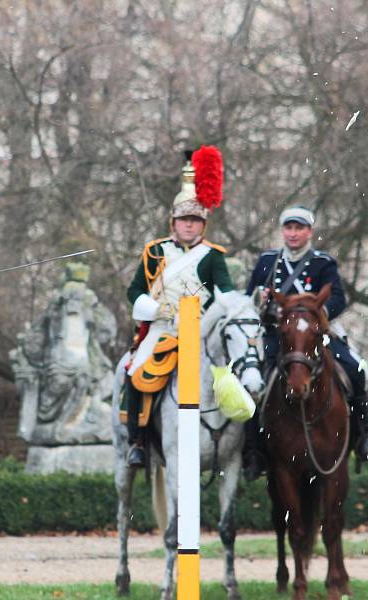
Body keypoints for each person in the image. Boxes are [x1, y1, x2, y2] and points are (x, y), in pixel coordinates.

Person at [242, 205, 368, 481]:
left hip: (316, 334)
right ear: (283, 231)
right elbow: (249, 299)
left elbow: (337, 298)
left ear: (309, 232)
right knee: (254, 382)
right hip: (276, 335)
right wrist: (263, 299)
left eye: (299, 228)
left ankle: (363, 437)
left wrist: (314, 317)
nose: (293, 234)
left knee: (356, 369)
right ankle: (254, 451)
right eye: (288, 228)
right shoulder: (268, 261)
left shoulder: (322, 263)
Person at [124, 146, 234, 467]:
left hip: (201, 333)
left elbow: (225, 293)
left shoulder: (214, 256)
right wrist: (154, 309)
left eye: (195, 220)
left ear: (203, 225)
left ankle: (247, 446)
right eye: (184, 219)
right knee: (134, 372)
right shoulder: (154, 251)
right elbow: (135, 291)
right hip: (162, 329)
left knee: (241, 375)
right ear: (173, 221)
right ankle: (139, 441)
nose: (189, 225)